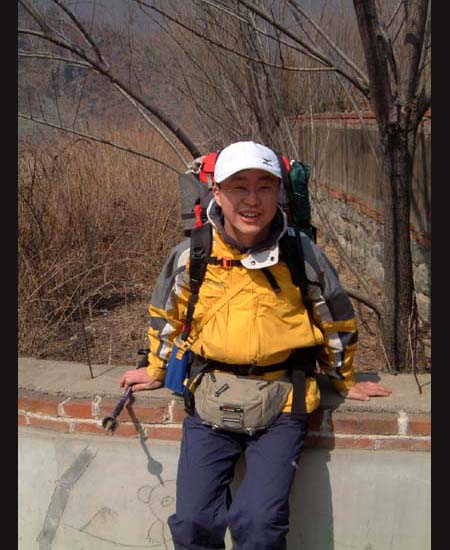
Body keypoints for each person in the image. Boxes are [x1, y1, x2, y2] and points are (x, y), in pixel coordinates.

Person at [119, 141, 392, 549]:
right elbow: (166, 316)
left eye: (264, 187)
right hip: (209, 397)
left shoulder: (300, 254)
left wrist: (343, 378)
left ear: (278, 192)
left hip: (284, 401)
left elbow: (335, 318)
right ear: (217, 193)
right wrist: (156, 369)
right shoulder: (193, 254)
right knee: (192, 523)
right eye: (238, 187)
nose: (252, 200)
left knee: (260, 525)